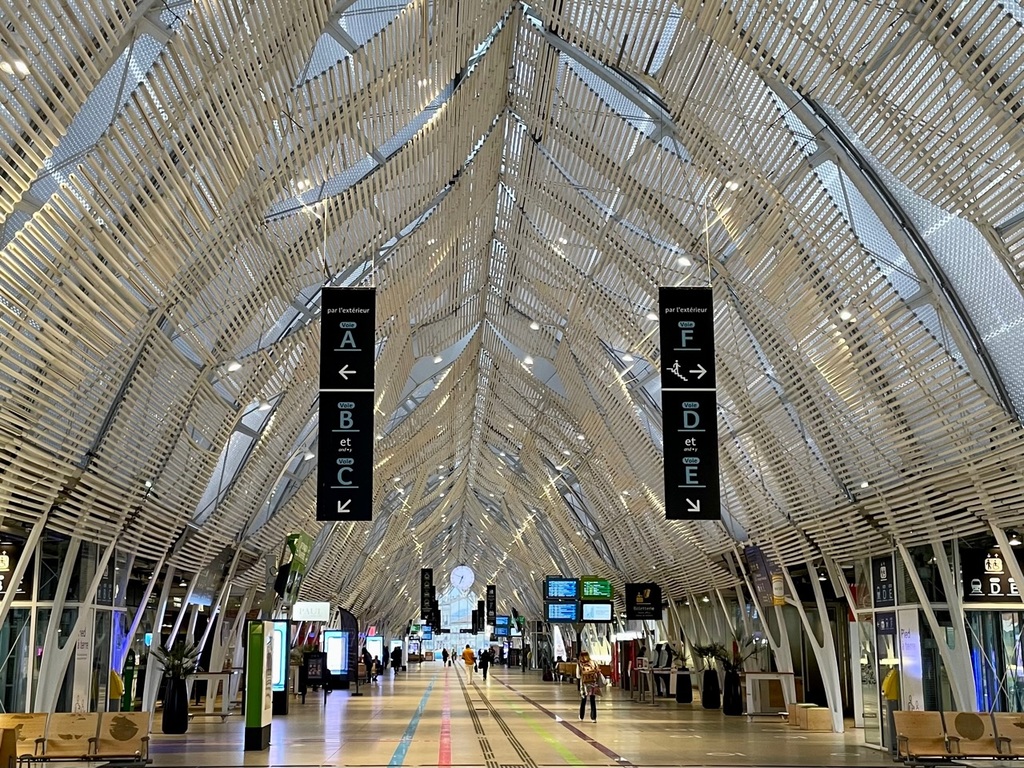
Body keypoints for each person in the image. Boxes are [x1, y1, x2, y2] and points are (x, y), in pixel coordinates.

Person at [576, 650, 603, 722]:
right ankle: (593, 718)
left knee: (583, 700)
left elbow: (578, 676)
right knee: (592, 700)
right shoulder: (593, 662)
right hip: (593, 684)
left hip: (584, 684)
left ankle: (581, 716)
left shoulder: (580, 664)